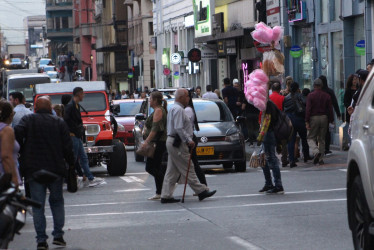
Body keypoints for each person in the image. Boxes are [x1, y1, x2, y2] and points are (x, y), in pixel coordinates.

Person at [14, 97, 75, 250]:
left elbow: (17, 133)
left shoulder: (28, 120)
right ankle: (58, 236)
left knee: (38, 205)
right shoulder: (59, 122)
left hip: (33, 168)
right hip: (55, 167)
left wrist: (22, 149)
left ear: (35, 107)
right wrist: (72, 164)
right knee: (57, 202)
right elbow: (68, 147)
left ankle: (41, 240)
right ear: (50, 108)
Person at [161, 88, 216, 203]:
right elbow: (178, 127)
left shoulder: (175, 108)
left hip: (173, 141)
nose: (188, 98)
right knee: (188, 167)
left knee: (172, 170)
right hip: (177, 142)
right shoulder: (178, 109)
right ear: (181, 97)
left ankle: (166, 195)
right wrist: (188, 140)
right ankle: (201, 190)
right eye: (187, 96)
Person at [64, 87, 105, 187]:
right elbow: (67, 120)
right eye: (83, 94)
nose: (84, 96)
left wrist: (80, 128)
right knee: (73, 159)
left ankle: (89, 178)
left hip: (77, 135)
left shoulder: (76, 105)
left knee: (83, 157)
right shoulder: (70, 106)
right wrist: (76, 129)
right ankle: (68, 178)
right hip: (73, 136)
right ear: (78, 94)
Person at [142, 91, 168, 200]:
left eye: (151, 99)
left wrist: (146, 141)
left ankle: (166, 186)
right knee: (156, 167)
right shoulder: (157, 110)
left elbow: (155, 129)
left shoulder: (158, 111)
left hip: (157, 143)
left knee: (151, 167)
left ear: (156, 100)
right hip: (157, 142)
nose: (149, 100)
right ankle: (159, 192)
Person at [258, 100, 285, 194]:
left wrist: (259, 138)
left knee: (271, 159)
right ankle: (268, 183)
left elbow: (265, 126)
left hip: (268, 136)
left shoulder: (268, 113)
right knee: (262, 158)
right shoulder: (272, 111)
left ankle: (278, 185)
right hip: (269, 136)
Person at [305, 78, 333, 165]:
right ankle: (321, 159)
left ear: (314, 86)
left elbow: (308, 109)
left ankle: (316, 151)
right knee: (321, 139)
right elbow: (330, 109)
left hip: (314, 118)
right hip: (324, 118)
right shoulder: (327, 96)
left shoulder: (310, 95)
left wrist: (307, 121)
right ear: (321, 86)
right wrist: (331, 120)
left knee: (310, 137)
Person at [283, 82, 310, 167]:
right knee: (304, 138)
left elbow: (284, 109)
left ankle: (291, 159)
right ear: (298, 88)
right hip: (300, 119)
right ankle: (306, 156)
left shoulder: (286, 98)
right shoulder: (300, 95)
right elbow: (306, 103)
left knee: (291, 140)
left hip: (290, 120)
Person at [185, 90, 207, 186]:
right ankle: (202, 185)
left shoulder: (187, 110)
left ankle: (203, 185)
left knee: (194, 165)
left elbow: (185, 126)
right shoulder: (187, 109)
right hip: (189, 138)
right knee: (193, 164)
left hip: (189, 139)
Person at [319, 75, 341, 155]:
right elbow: (335, 102)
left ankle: (319, 149)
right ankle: (326, 148)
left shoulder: (315, 92)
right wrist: (338, 113)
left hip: (317, 114)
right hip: (327, 113)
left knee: (318, 132)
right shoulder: (329, 91)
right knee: (327, 132)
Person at [0, 101, 20, 187]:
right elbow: (6, 157)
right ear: (10, 115)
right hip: (4, 176)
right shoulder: (7, 130)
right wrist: (14, 180)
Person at [268, 81, 289, 167]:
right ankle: (284, 159)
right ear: (279, 89)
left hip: (270, 122)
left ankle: (272, 159)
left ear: (271, 89)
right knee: (284, 141)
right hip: (281, 122)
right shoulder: (283, 98)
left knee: (271, 141)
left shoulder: (268, 98)